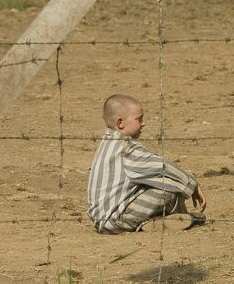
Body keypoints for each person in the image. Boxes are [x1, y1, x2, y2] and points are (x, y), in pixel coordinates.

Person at [87, 94, 207, 233]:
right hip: (115, 219)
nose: (143, 123)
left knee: (155, 182)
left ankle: (157, 221)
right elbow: (161, 166)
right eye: (139, 119)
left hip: (101, 219)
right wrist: (192, 184)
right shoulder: (126, 149)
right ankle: (179, 218)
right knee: (169, 187)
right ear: (120, 123)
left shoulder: (108, 143)